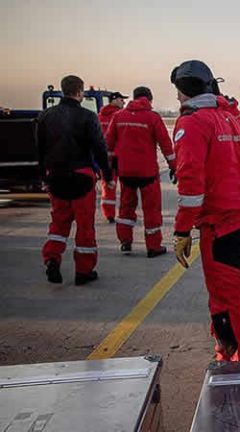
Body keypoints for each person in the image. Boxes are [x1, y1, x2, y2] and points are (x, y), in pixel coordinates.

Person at [170, 60, 240, 361]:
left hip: (221, 224)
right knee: (225, 298)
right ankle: (225, 355)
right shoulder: (230, 118)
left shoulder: (193, 122)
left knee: (227, 303)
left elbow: (191, 185)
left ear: (182, 90)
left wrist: (182, 230)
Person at [38, 75, 113, 285]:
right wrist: (107, 175)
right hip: (81, 176)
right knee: (84, 224)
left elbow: (40, 149)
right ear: (80, 92)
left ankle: (52, 258)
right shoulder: (88, 117)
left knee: (59, 221)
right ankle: (84, 270)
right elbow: (99, 148)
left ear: (63, 90)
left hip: (56, 176)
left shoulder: (46, 116)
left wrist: (44, 176)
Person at [105, 86, 175, 257]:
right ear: (149, 99)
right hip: (147, 172)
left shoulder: (118, 116)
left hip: (126, 171)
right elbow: (166, 145)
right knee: (151, 209)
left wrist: (111, 165)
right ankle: (153, 246)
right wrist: (174, 166)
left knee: (126, 207)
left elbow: (108, 143)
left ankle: (125, 242)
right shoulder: (152, 117)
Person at [97, 91, 128, 223]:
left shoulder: (99, 117)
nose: (123, 102)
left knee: (107, 185)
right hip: (119, 156)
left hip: (104, 157)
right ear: (114, 100)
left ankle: (108, 213)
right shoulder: (120, 116)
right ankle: (125, 213)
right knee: (126, 186)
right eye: (122, 100)